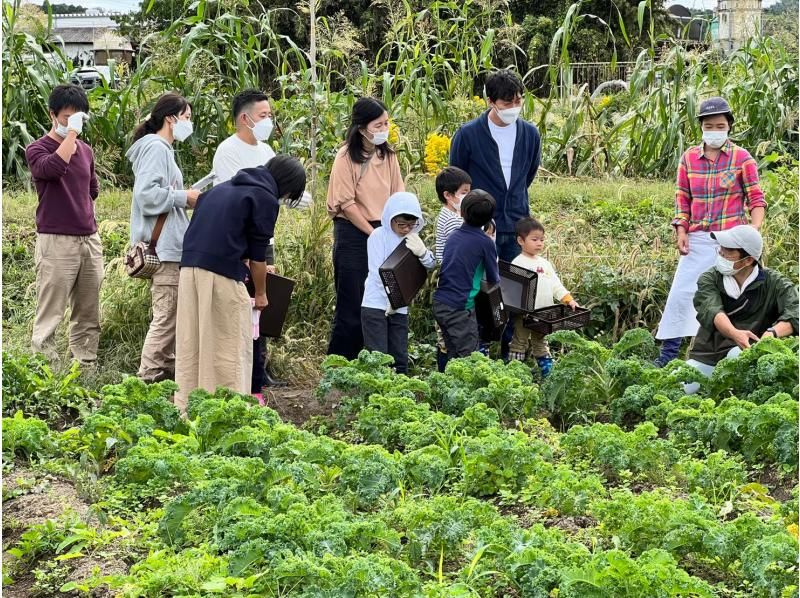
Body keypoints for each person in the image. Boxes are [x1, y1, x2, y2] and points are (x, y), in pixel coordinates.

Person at [174, 155, 306, 412]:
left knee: (195, 341)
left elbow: (223, 236)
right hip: (220, 276)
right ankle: (228, 411)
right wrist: (261, 294)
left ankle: (187, 408)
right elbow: (258, 257)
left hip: (189, 271)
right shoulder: (265, 198)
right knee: (230, 344)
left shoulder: (221, 189)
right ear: (286, 186)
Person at [212, 88, 312, 392]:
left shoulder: (267, 152)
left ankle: (260, 369)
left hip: (263, 237)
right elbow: (241, 197)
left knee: (263, 303)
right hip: (238, 240)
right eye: (263, 116)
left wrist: (298, 198)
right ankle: (240, 371)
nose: (269, 121)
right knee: (243, 303)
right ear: (245, 118)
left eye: (270, 115)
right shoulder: (228, 151)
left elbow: (278, 192)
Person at [655, 96, 766, 366]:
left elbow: (756, 199)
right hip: (697, 240)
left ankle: (733, 354)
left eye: (719, 125)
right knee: (682, 295)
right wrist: (681, 231)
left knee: (731, 295)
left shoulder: (742, 158)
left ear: (728, 126)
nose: (714, 130)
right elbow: (682, 199)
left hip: (730, 241)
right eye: (708, 125)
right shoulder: (689, 159)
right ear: (701, 127)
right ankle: (668, 355)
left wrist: (753, 230)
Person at [449, 69, 542, 358]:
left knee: (515, 287)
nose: (514, 107)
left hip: (516, 224)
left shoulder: (530, 133)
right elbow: (457, 180)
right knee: (479, 287)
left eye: (518, 101)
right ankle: (477, 348)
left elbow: (528, 175)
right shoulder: (468, 135)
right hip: (480, 227)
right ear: (490, 101)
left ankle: (510, 349)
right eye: (507, 102)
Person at [25, 84, 103, 365]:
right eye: (68, 117)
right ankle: (44, 371)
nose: (74, 123)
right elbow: (53, 169)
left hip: (88, 239)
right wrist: (71, 134)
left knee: (88, 309)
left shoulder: (85, 151)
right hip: (56, 240)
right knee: (51, 310)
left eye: (79, 117)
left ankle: (85, 366)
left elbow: (92, 190)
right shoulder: (37, 149)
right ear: (52, 115)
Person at [127, 93, 200, 384]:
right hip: (167, 249)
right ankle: (147, 379)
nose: (189, 123)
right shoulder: (157, 148)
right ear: (171, 118)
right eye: (187, 117)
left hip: (171, 247)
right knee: (167, 317)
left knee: (171, 317)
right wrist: (185, 197)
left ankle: (166, 376)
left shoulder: (160, 149)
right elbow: (146, 196)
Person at [326, 97, 405, 360]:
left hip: (384, 230)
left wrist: (394, 231)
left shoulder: (388, 155)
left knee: (383, 300)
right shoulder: (346, 156)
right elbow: (346, 204)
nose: (384, 128)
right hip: (354, 233)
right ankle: (341, 362)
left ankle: (376, 359)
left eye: (386, 123)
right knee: (352, 300)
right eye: (379, 124)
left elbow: (398, 195)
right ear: (362, 128)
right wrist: (373, 235)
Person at [684, 225, 797, 392]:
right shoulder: (710, 278)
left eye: (728, 251)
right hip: (710, 354)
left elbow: (796, 311)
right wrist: (734, 333)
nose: (721, 253)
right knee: (682, 385)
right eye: (721, 248)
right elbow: (711, 309)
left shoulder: (774, 282)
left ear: (748, 260)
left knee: (737, 355)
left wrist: (772, 334)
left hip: (749, 353)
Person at [361, 192, 435, 374]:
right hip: (375, 304)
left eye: (411, 225)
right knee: (378, 357)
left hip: (400, 307)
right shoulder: (378, 236)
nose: (406, 229)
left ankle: (398, 396)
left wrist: (423, 252)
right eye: (401, 224)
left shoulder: (413, 238)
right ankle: (377, 397)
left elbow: (431, 264)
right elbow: (377, 272)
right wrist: (391, 299)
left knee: (399, 357)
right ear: (390, 219)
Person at [433, 190, 500, 359]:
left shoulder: (453, 236)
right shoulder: (485, 243)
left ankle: (445, 383)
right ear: (489, 219)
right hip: (460, 308)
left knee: (452, 352)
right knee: (469, 357)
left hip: (440, 303)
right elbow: (493, 279)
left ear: (461, 212)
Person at [508, 217, 578, 377]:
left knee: (541, 341)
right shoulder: (518, 263)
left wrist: (568, 299)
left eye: (542, 240)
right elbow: (512, 289)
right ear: (520, 240)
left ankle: (548, 374)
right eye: (534, 239)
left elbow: (556, 285)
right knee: (520, 341)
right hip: (524, 313)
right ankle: (514, 373)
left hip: (543, 313)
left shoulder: (545, 264)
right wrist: (519, 307)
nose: (539, 243)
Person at [433, 166, 472, 370]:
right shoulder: (453, 221)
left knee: (446, 336)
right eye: (464, 192)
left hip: (448, 282)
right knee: (450, 335)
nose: (468, 196)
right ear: (448, 195)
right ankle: (444, 374)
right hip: (452, 283)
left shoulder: (449, 216)